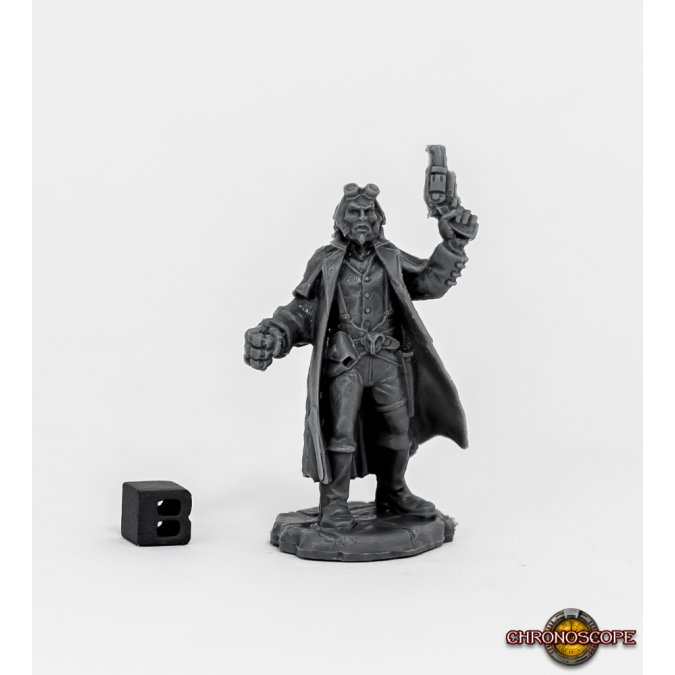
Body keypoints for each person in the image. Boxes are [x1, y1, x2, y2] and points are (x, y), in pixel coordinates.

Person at [244, 180, 478, 529]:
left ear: (379, 218)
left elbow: (428, 282)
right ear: (341, 219)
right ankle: (334, 504)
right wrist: (275, 333)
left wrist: (453, 245)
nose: (363, 219)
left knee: (400, 428)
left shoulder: (390, 257)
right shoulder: (327, 261)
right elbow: (304, 310)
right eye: (354, 212)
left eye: (369, 213)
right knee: (340, 433)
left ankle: (393, 492)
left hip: (387, 358)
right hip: (346, 363)